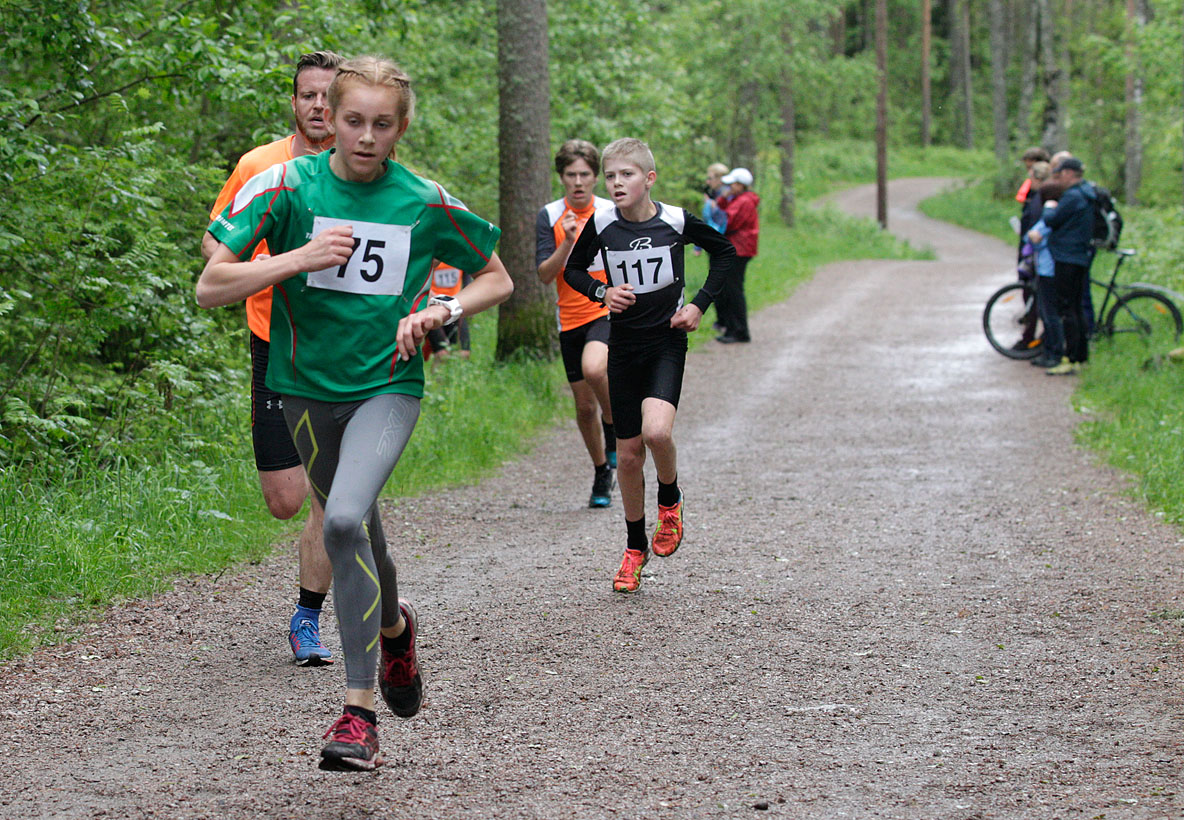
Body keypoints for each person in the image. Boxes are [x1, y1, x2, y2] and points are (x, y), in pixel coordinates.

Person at [198, 56, 513, 770]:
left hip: (387, 387)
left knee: (341, 522)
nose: (367, 137)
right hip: (304, 389)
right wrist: (297, 258)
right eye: (353, 121)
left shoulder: (423, 200)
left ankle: (357, 714)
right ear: (329, 119)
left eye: (383, 124)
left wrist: (442, 310)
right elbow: (211, 285)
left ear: (401, 128)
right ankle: (396, 631)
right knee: (361, 531)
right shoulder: (285, 185)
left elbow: (497, 278)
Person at [201, 50, 343, 666]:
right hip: (275, 343)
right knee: (285, 499)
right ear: (294, 102)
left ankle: (307, 618)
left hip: (340, 352)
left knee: (328, 495)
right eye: (308, 95)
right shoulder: (260, 166)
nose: (319, 106)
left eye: (329, 96)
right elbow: (213, 245)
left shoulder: (366, 172)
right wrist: (283, 263)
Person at [563, 138, 736, 592]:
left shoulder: (676, 220)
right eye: (611, 176)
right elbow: (573, 271)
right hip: (623, 346)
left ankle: (670, 499)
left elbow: (725, 252)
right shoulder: (602, 223)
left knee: (657, 433)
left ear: (649, 179)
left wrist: (698, 305)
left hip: (666, 342)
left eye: (627, 174)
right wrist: (602, 293)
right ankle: (634, 547)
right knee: (629, 454)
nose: (616, 183)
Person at [535, 139, 618, 507]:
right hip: (569, 318)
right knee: (584, 407)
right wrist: (568, 242)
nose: (578, 182)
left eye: (585, 174)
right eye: (571, 175)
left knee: (595, 368)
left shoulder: (610, 211)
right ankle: (601, 471)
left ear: (596, 177)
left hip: (606, 310)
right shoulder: (550, 215)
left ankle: (613, 427)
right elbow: (544, 274)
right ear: (562, 177)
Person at [1040, 157, 1096, 375]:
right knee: (1076, 307)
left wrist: (1048, 207)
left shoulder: (1073, 196)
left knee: (1067, 309)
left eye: (1060, 174)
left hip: (1067, 257)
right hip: (1079, 255)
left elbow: (1052, 219)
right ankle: (1080, 357)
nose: (1059, 179)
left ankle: (1071, 358)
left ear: (1069, 173)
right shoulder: (1087, 193)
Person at [714, 167, 759, 344]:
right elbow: (723, 210)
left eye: (732, 184)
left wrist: (717, 212)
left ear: (741, 185)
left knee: (734, 290)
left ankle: (739, 331)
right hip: (737, 247)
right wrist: (723, 199)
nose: (729, 187)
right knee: (730, 289)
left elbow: (727, 221)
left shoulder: (744, 202)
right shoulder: (738, 199)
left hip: (739, 249)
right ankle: (733, 328)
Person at [1025, 193, 1063, 369]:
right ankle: (1049, 351)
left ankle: (1055, 353)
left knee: (1050, 314)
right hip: (1045, 269)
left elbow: (1035, 237)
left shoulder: (1052, 215)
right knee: (1046, 312)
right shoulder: (1053, 214)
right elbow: (1031, 236)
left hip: (1049, 270)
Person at [424, 261, 472, 362]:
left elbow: (467, 279)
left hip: (455, 306)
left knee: (464, 353)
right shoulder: (433, 257)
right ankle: (436, 372)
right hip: (432, 307)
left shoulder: (460, 256)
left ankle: (454, 372)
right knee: (442, 354)